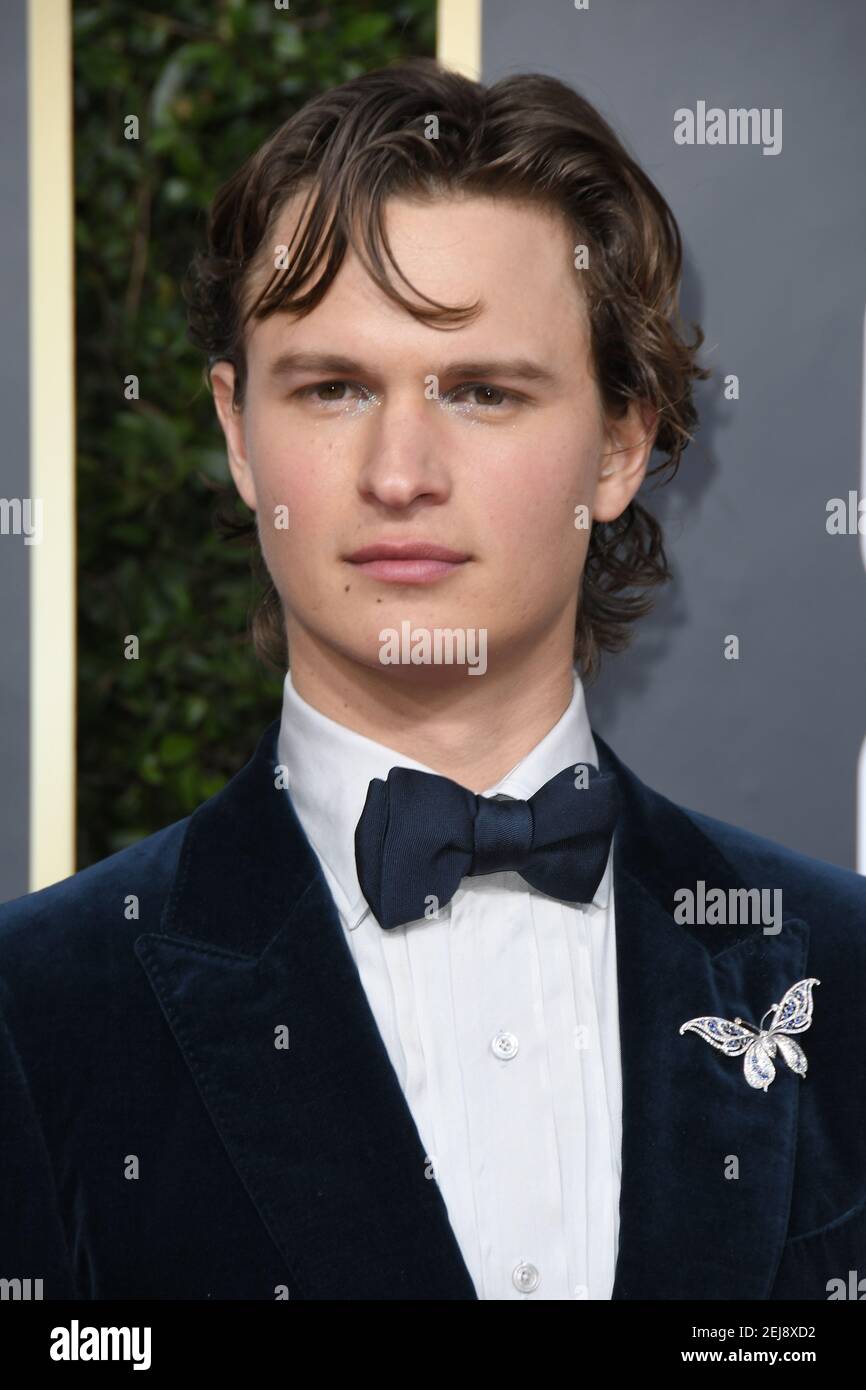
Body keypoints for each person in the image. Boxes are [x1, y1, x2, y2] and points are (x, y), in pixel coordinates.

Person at [1, 58, 864, 1302]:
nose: (399, 471)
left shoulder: (836, 969)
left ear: (620, 442)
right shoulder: (36, 1014)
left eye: (480, 391)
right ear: (240, 434)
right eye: (335, 387)